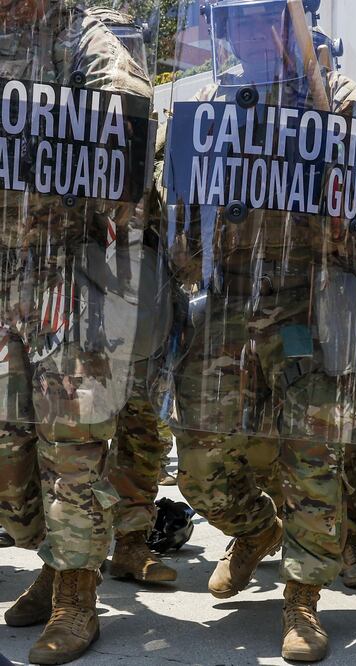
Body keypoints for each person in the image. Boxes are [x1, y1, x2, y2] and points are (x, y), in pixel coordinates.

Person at [157, 0, 356, 659]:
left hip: (313, 306)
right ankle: (255, 529)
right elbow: (177, 219)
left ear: (298, 20)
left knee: (312, 458)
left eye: (265, 16)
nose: (253, 33)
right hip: (229, 304)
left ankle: (302, 598)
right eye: (237, 21)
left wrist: (342, 197)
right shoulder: (211, 105)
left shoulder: (351, 109)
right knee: (200, 462)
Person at [0, 1, 155, 662]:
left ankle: (75, 595)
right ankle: (51, 559)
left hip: (70, 278)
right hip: (4, 278)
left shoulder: (85, 41)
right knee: (9, 455)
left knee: (71, 449)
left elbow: (128, 135)